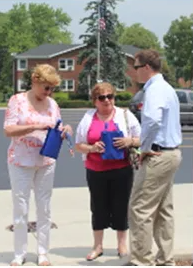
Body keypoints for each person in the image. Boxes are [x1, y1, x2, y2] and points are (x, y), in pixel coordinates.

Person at [4, 64, 73, 266]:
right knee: (21, 207)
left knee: (44, 207)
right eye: (46, 87)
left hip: (46, 160)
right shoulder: (17, 101)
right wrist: (34, 126)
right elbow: (8, 130)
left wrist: (65, 129)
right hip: (20, 160)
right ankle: (19, 253)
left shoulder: (52, 104)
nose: (49, 92)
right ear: (35, 81)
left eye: (52, 88)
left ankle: (43, 252)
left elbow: (57, 126)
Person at [127, 50, 182, 266]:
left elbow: (152, 120)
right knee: (162, 209)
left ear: (147, 68)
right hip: (171, 153)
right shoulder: (167, 88)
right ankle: (165, 259)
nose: (134, 72)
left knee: (140, 208)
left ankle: (141, 261)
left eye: (137, 67)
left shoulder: (155, 89)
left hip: (158, 154)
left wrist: (144, 148)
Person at [75, 82, 141, 261]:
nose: (106, 101)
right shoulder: (88, 118)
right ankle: (98, 246)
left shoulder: (125, 115)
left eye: (110, 96)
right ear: (94, 101)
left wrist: (129, 141)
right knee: (98, 207)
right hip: (96, 170)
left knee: (121, 206)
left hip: (122, 169)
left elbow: (141, 138)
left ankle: (121, 244)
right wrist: (92, 148)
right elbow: (78, 144)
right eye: (101, 97)